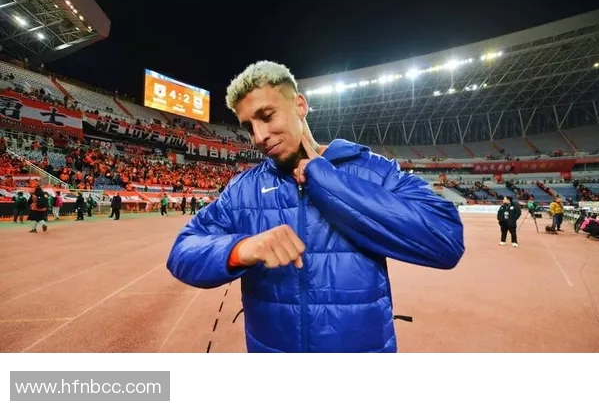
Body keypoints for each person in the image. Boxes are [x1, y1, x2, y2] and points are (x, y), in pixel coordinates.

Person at [166, 60, 465, 353]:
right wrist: (240, 249)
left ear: (299, 105)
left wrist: (327, 180)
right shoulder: (243, 189)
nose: (259, 137)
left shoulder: (374, 171)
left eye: (267, 116)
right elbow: (182, 251)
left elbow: (445, 239)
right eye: (249, 127)